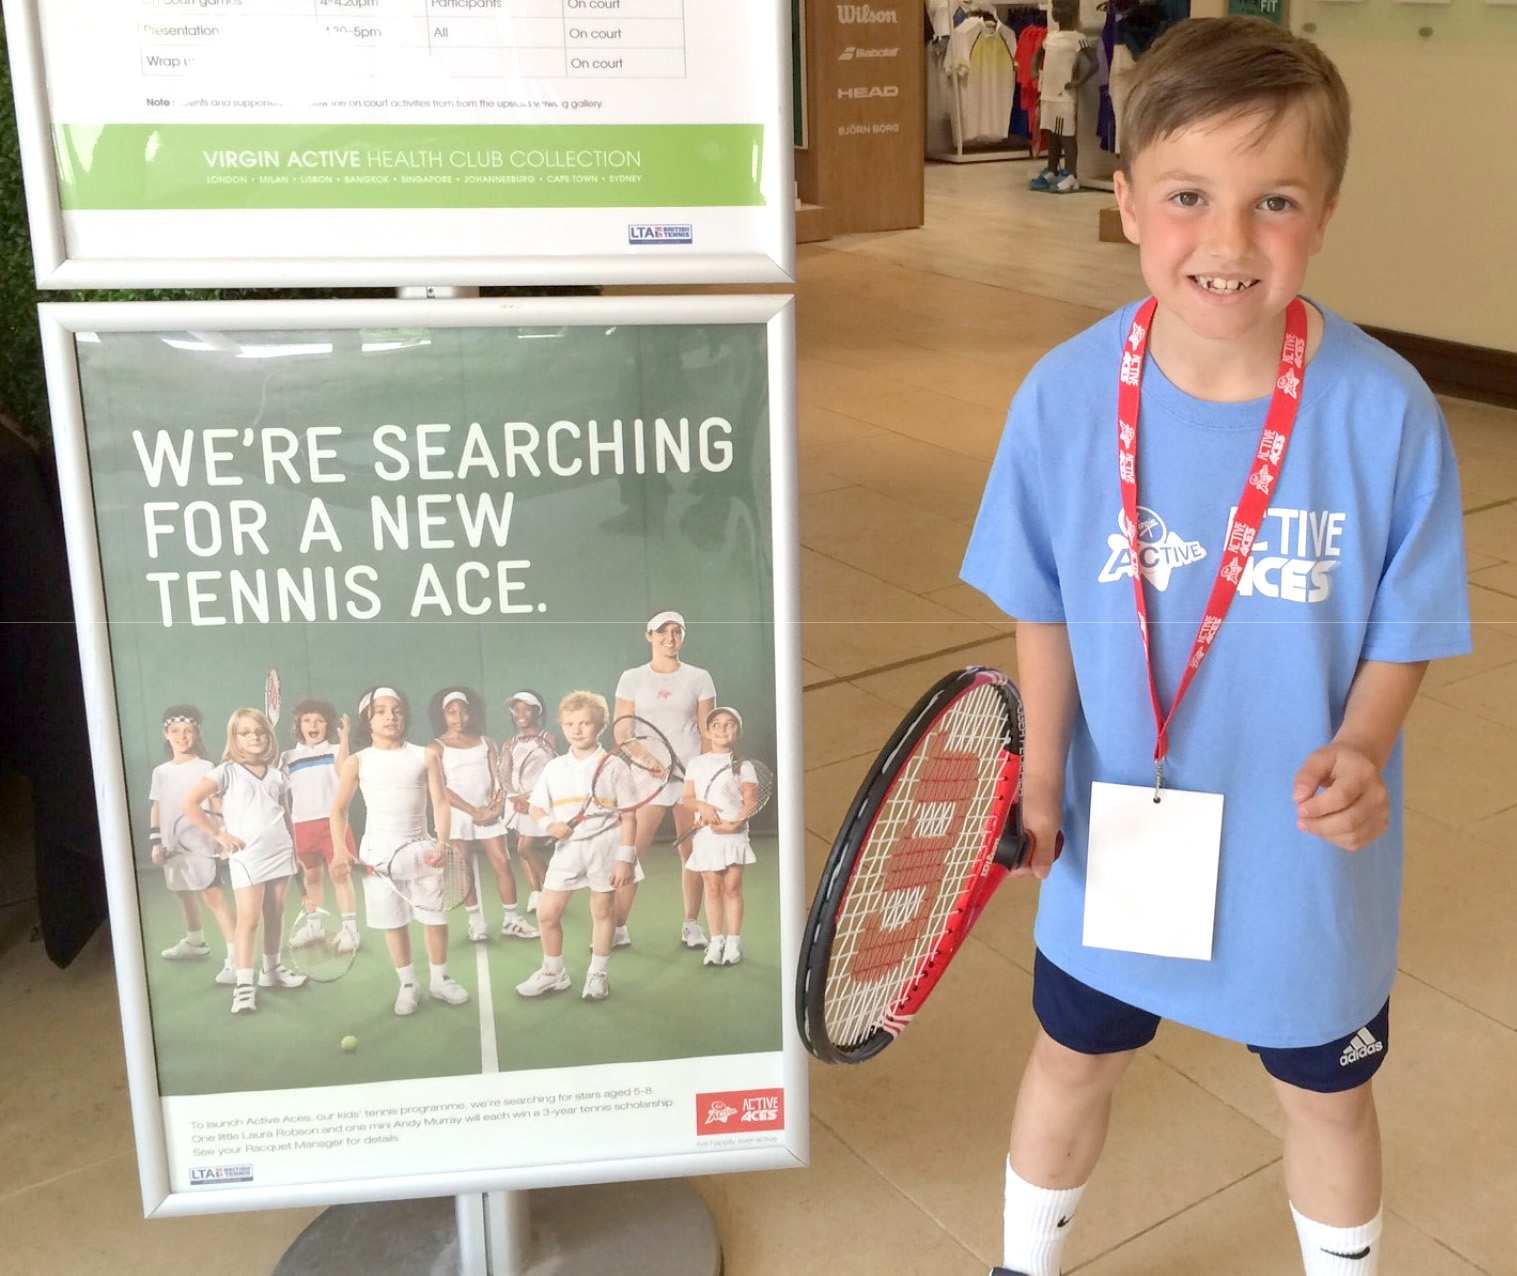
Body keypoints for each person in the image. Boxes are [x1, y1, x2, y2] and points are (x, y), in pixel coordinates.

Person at [960, 19, 1471, 1276]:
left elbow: (1403, 626)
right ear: (1125, 202)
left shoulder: (1382, 412)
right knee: (1070, 1058)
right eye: (1188, 196)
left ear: (1325, 210)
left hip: (1300, 853)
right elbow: (1041, 599)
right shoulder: (1063, 399)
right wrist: (1035, 775)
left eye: (1273, 200)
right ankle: (1022, 1263)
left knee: (1326, 1097)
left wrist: (1361, 746)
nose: (1228, 241)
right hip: (1114, 818)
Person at [330, 686, 470, 1016]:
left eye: (397, 710)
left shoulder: (426, 755)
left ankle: (440, 979)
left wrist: (442, 843)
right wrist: (340, 850)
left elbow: (440, 802)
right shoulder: (356, 762)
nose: (390, 717)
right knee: (395, 922)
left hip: (422, 849)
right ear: (368, 719)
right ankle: (408, 984)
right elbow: (338, 810)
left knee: (435, 919)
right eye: (380, 711)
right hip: (377, 854)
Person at [180, 708, 307, 1014]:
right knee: (248, 919)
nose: (254, 738)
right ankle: (244, 986)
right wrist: (219, 835)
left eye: (259, 732)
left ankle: (272, 972)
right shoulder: (225, 772)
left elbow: (286, 816)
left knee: (275, 911)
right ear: (234, 738)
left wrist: (296, 853)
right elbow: (189, 803)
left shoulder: (278, 776)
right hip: (247, 856)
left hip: (280, 851)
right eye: (246, 733)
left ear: (268, 736)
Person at [515, 691, 639, 1003]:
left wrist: (625, 859)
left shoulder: (614, 766)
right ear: (561, 725)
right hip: (568, 851)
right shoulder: (554, 768)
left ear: (600, 725)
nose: (577, 729)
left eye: (585, 723)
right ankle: (553, 972)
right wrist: (548, 825)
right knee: (546, 913)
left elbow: (629, 815)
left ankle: (598, 974)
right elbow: (536, 808)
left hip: (606, 847)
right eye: (570, 723)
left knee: (602, 909)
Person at [612, 610, 716, 949]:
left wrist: (699, 776)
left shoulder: (700, 677)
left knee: (692, 853)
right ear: (649, 636)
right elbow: (621, 730)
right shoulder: (631, 677)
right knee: (632, 854)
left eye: (676, 632)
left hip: (688, 779)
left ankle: (691, 925)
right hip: (647, 778)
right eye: (662, 632)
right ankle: (617, 928)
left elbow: (706, 732)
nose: (670, 638)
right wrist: (650, 762)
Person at [426, 686, 538, 943]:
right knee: (462, 869)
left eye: (463, 711)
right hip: (457, 815)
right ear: (442, 715)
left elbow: (498, 777)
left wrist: (496, 807)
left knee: (503, 862)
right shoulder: (436, 746)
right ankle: (476, 921)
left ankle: (512, 919)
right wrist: (471, 810)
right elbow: (440, 786)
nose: (458, 717)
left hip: (488, 812)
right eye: (451, 712)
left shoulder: (487, 742)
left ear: (470, 713)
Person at [148, 704, 236, 986]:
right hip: (172, 847)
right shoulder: (160, 772)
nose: (182, 737)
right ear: (166, 734)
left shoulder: (206, 767)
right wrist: (156, 842)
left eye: (188, 731)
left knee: (213, 897)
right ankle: (196, 943)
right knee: (183, 892)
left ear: (197, 734)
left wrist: (221, 832)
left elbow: (215, 802)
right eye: (175, 731)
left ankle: (237, 958)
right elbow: (157, 807)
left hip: (202, 845)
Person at [281, 698, 360, 956]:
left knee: (340, 875)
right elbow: (277, 787)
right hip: (301, 826)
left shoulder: (337, 750)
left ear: (327, 724)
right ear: (299, 725)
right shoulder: (288, 757)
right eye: (306, 721)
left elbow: (343, 773)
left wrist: (345, 738)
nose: (312, 725)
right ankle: (314, 927)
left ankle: (350, 931)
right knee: (311, 878)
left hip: (333, 824)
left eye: (318, 720)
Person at [682, 707, 758, 968]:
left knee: (732, 888)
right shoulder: (696, 763)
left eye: (729, 724)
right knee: (712, 888)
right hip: (706, 835)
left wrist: (736, 824)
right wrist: (702, 808)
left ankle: (734, 941)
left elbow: (751, 801)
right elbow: (688, 798)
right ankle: (716, 941)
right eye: (716, 724)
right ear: (708, 730)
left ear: (737, 731)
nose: (722, 729)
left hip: (734, 835)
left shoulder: (744, 766)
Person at [497, 690, 556, 914]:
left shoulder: (548, 739)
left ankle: (551, 888)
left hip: (539, 801)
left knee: (525, 848)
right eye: (516, 709)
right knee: (522, 848)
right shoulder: (508, 744)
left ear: (536, 711)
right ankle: (536, 893)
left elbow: (550, 772)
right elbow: (504, 775)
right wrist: (515, 797)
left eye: (526, 708)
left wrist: (531, 798)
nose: (521, 713)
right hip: (516, 804)